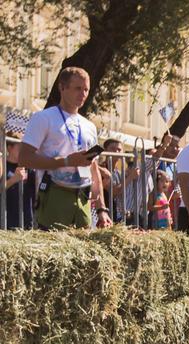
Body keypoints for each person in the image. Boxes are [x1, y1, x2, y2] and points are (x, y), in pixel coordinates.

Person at [19, 67, 111, 230]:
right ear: (62, 87)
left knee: (83, 254)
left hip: (82, 200)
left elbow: (94, 170)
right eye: (77, 88)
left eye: (86, 89)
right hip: (54, 198)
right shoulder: (44, 118)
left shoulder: (89, 126)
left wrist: (102, 209)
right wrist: (66, 161)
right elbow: (24, 157)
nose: (82, 94)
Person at [3, 133, 36, 229]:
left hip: (27, 223)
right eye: (20, 148)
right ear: (9, 148)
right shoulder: (2, 165)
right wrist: (13, 180)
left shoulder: (30, 167)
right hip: (6, 223)